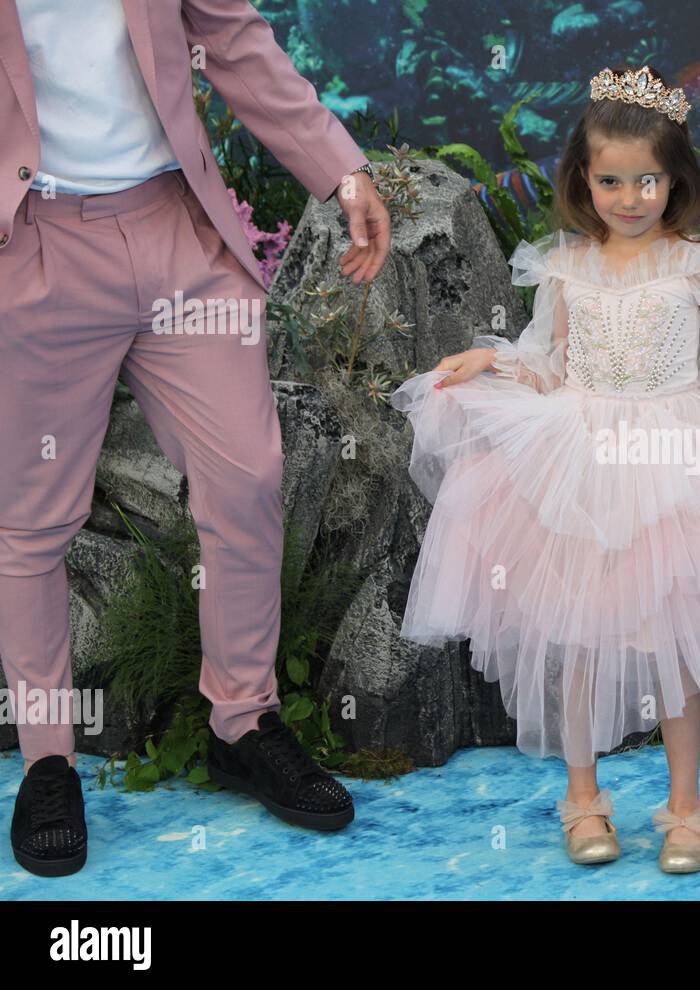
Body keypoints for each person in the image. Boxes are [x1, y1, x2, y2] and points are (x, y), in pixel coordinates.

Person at [389, 64, 700, 874]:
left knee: (673, 642)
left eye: (648, 180)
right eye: (611, 180)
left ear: (675, 180)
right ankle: (582, 798)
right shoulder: (566, 266)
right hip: (581, 460)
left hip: (674, 459)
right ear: (584, 179)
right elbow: (549, 364)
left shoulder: (699, 264)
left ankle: (686, 806)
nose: (631, 197)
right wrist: (493, 361)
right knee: (578, 636)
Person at [0, 0, 391, 877]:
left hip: (179, 234)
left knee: (249, 475)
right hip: (35, 249)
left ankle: (243, 722)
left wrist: (344, 173)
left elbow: (234, 39)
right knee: (30, 522)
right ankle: (48, 760)